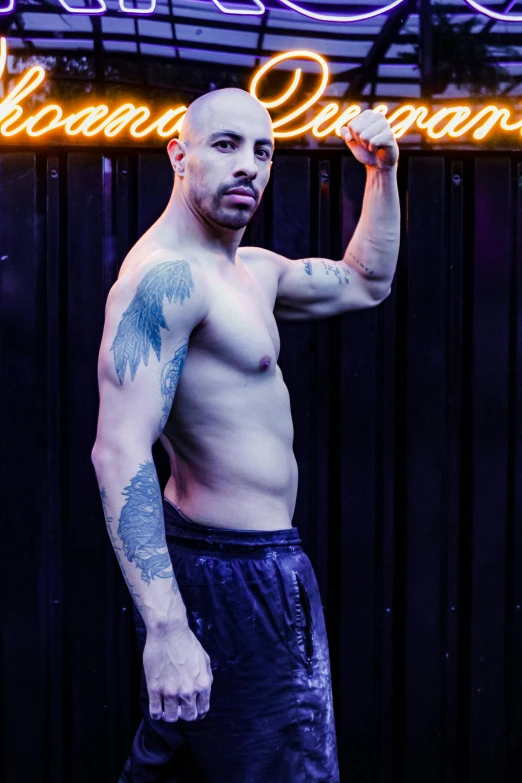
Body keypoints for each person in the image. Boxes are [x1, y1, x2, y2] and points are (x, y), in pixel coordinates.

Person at [91, 87, 400, 783]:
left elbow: (365, 281)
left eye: (262, 151)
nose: (250, 167)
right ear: (180, 155)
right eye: (225, 145)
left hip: (248, 565)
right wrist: (167, 629)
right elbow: (118, 452)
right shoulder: (165, 281)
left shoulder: (249, 271)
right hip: (233, 573)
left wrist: (382, 173)